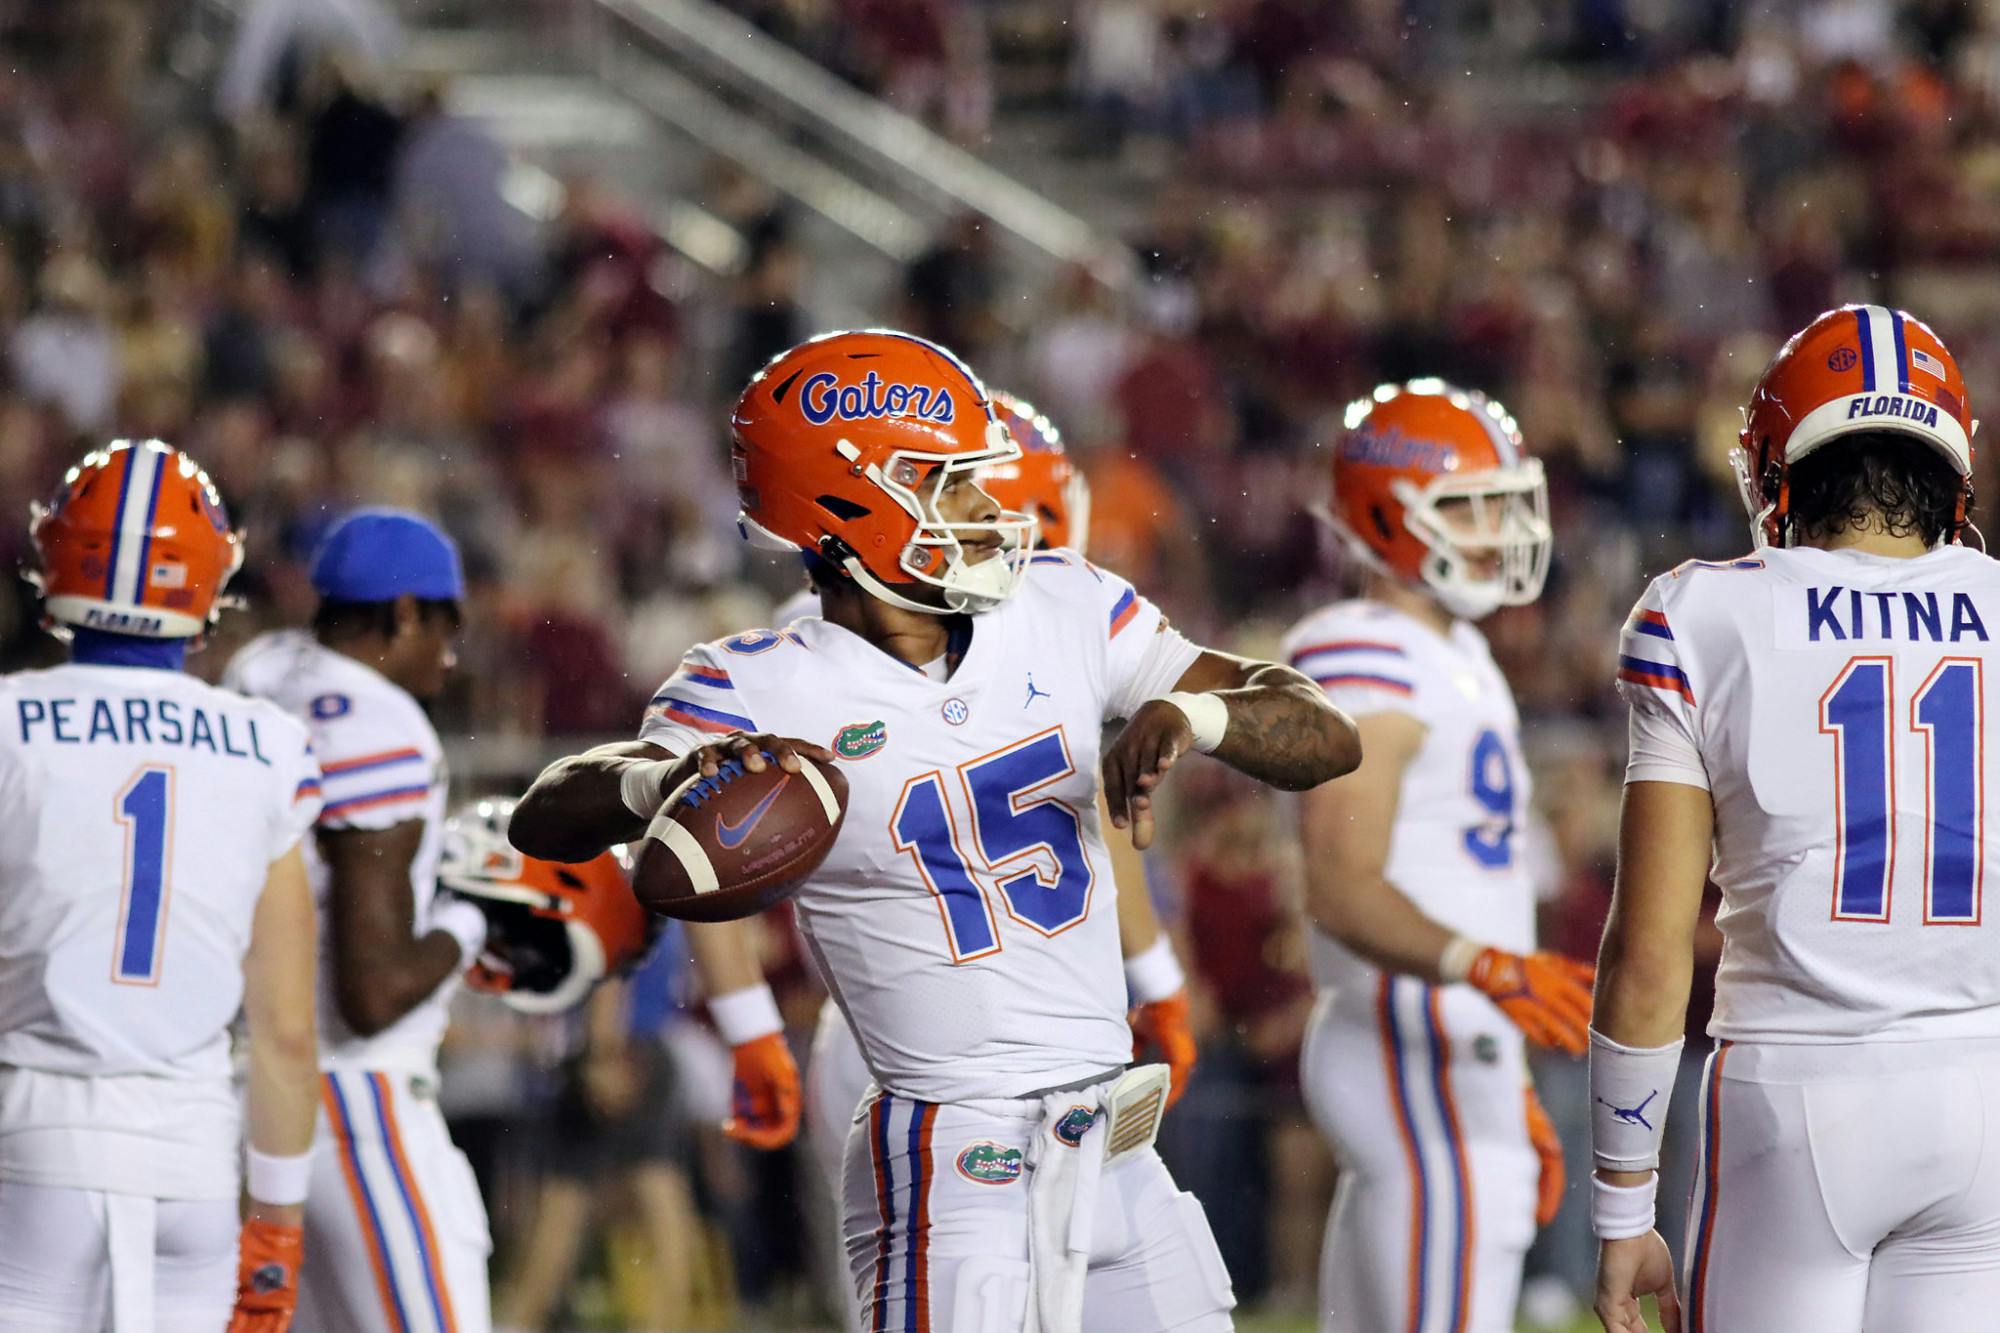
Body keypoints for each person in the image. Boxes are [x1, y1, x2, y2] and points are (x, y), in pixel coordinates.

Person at [510, 329, 1361, 1333]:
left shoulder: (1066, 605)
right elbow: (551, 807)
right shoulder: (755, 681)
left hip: (1117, 1157)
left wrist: (1196, 714)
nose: (988, 508)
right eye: (949, 484)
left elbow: (1321, 733)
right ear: (844, 502)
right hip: (955, 1166)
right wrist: (668, 777)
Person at [1592, 305, 2000, 1333]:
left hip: (1798, 1089)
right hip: (1981, 1086)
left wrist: (1620, 1202)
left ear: (1779, 464)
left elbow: (1646, 956)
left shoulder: (1703, 613)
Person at [1282, 382, 1591, 1333]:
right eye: (1470, 505)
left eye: (1505, 502)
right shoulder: (1364, 648)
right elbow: (1340, 885)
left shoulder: (1455, 652)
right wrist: (1487, 970)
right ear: (1387, 512)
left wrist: (1497, 1060)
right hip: (1409, 1033)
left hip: (1452, 1043)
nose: (1499, 530)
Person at [0, 439, 322, 1330]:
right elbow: (288, 1032)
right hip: (193, 1161)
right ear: (208, 579)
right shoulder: (267, 745)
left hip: (32, 1139)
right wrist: (279, 1229)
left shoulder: (9, 723)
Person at [226, 509, 495, 1333]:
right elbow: (371, 992)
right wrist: (472, 916)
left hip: (245, 1091)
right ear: (405, 611)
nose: (453, 650)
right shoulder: (376, 723)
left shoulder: (260, 669)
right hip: (353, 1097)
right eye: (445, 622)